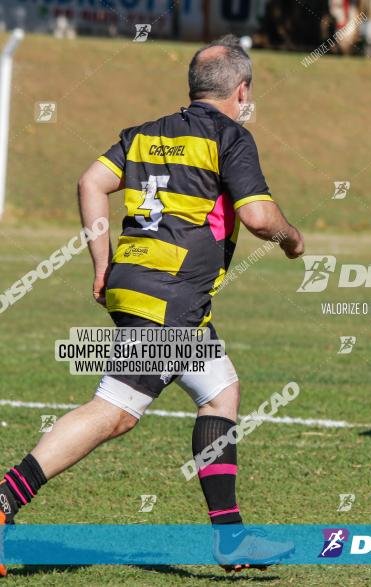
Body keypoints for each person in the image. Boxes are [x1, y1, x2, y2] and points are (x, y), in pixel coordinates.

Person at [0, 35, 305, 575]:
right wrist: (290, 237)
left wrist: (101, 260)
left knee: (219, 391)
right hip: (172, 295)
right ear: (243, 90)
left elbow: (90, 181)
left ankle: (231, 539)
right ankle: (4, 500)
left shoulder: (145, 134)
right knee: (114, 410)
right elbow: (258, 217)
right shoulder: (230, 136)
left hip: (142, 284)